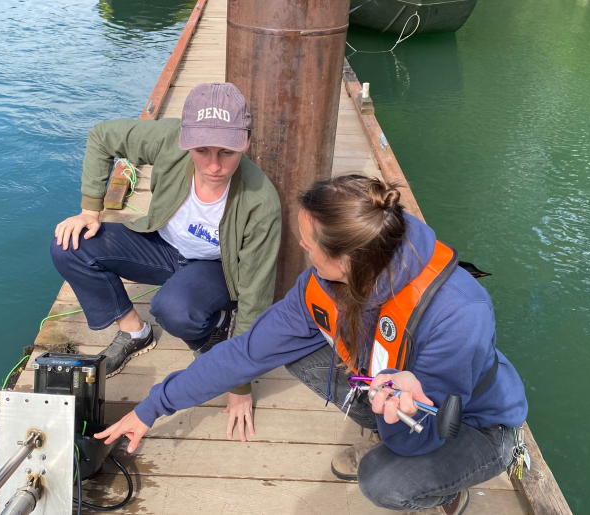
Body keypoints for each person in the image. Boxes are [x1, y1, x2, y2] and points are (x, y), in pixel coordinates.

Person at [95, 175, 529, 514]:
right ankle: (384, 425)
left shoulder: (459, 312)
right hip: (392, 393)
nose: (300, 243)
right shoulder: (323, 281)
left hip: (472, 421)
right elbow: (245, 353)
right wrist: (152, 406)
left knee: (384, 481)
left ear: (347, 260)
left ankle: (458, 480)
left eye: (308, 240)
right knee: (295, 350)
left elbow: (422, 436)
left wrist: (397, 416)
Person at [51, 83, 282, 439]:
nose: (215, 166)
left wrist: (240, 385)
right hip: (160, 243)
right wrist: (89, 210)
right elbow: (101, 137)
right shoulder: (168, 138)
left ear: (246, 141)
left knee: (173, 309)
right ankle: (134, 333)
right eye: (201, 150)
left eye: (228, 152)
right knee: (70, 244)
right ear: (186, 139)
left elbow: (256, 296)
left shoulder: (261, 202)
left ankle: (216, 323)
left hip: (214, 267)